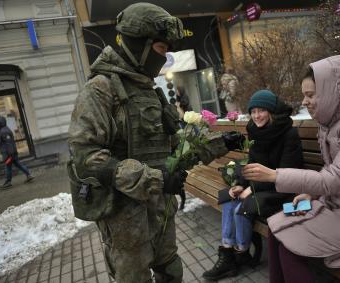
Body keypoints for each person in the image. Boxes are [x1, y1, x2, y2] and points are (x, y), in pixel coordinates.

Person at [67, 3, 241, 282]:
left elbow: (175, 147)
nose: (165, 58)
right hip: (125, 219)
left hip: (160, 208)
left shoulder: (149, 91)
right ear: (140, 46)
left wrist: (221, 143)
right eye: (161, 50)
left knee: (171, 270)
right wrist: (156, 180)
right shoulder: (101, 90)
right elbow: (85, 156)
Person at [243, 55, 340, 283]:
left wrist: (275, 175)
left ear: (333, 92)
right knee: (276, 231)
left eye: (310, 95)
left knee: (291, 247)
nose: (304, 102)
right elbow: (331, 170)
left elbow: (334, 179)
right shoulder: (330, 124)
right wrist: (311, 194)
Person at [203, 90, 304, 280]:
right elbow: (251, 164)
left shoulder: (288, 134)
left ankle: (241, 253)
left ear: (272, 112)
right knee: (229, 199)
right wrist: (240, 184)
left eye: (261, 111)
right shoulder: (255, 130)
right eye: (253, 111)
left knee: (242, 208)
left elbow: (287, 173)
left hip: (284, 188)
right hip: (263, 185)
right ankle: (228, 255)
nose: (256, 116)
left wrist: (253, 188)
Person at [0, 116, 34, 189]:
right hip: (11, 153)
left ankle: (8, 182)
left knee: (8, 167)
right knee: (18, 164)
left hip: (9, 154)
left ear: (0, 123)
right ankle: (29, 175)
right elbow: (2, 142)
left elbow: (8, 143)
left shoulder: (4, 131)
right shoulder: (4, 130)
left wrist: (10, 155)